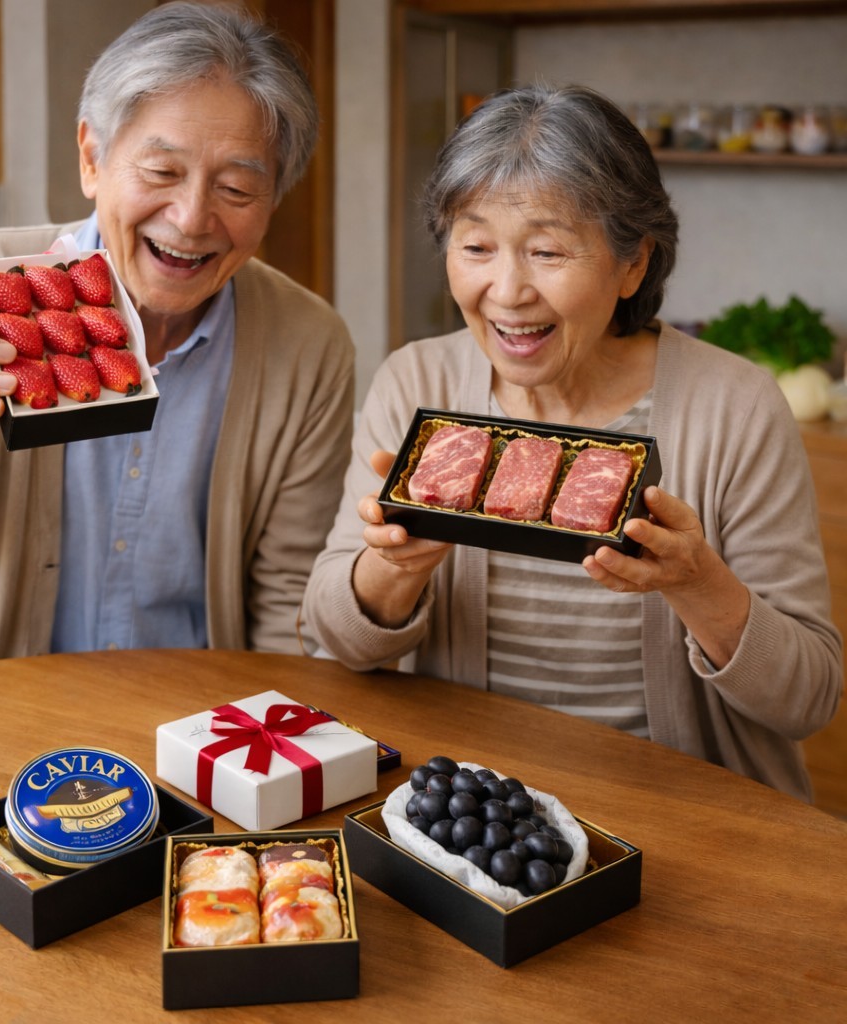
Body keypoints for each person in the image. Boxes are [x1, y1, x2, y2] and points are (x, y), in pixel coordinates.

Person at [302, 84, 842, 802]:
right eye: (476, 247)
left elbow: (809, 699)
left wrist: (696, 584)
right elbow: (332, 642)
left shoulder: (735, 406)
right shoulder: (417, 383)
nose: (508, 290)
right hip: (474, 813)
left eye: (548, 250)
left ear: (633, 263)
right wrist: (395, 567)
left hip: (682, 814)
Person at [0, 2, 354, 675]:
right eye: (161, 172)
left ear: (275, 198)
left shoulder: (309, 343)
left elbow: (288, 602)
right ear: (91, 158)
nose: (192, 218)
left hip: (192, 718)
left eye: (237, 188)